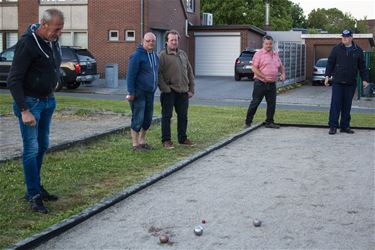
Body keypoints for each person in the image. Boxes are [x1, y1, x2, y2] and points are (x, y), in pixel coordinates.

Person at [7, 9, 64, 213]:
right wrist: (24, 110)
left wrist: (53, 81)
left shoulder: (52, 41)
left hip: (48, 101)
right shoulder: (27, 43)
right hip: (30, 104)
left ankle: (36, 186)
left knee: (42, 146)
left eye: (61, 29)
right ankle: (33, 195)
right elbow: (13, 80)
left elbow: (52, 65)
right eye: (56, 29)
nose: (59, 33)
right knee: (31, 149)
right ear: (44, 24)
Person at [324, 29, 369, 135]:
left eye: (347, 36)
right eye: (343, 36)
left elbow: (362, 67)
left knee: (347, 105)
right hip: (337, 82)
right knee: (335, 105)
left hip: (350, 83)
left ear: (351, 38)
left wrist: (365, 79)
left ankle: (344, 126)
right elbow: (330, 63)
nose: (345, 38)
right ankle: (333, 126)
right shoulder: (336, 49)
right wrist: (327, 76)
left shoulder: (358, 50)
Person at [158, 30, 195, 149]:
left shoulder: (183, 54)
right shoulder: (162, 55)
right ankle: (166, 140)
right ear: (167, 41)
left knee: (183, 116)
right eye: (172, 40)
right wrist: (165, 89)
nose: (174, 42)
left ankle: (182, 138)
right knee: (166, 116)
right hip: (169, 92)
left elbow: (189, 72)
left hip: (183, 92)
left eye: (176, 40)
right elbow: (158, 74)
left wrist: (191, 89)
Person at [126, 32, 159, 150]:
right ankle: (135, 144)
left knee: (147, 118)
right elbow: (130, 75)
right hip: (139, 93)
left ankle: (142, 141)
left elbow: (156, 73)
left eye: (153, 41)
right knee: (138, 118)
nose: (150, 43)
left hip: (150, 93)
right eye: (148, 40)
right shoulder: (136, 56)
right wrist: (131, 92)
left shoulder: (155, 56)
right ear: (143, 41)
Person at [245, 35, 286, 128]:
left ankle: (269, 122)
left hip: (272, 84)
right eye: (266, 44)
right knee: (255, 102)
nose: (268, 45)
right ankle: (248, 122)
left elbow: (280, 66)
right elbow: (254, 69)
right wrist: (264, 77)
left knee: (272, 103)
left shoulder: (275, 54)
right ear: (263, 44)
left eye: (270, 44)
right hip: (260, 83)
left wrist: (283, 73)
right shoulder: (258, 54)